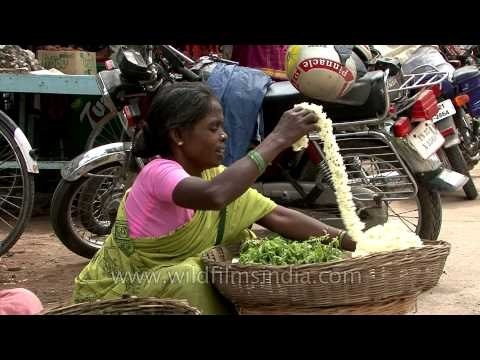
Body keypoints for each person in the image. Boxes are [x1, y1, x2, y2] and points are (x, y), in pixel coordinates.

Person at [73, 82, 356, 314]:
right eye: (213, 128)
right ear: (179, 135)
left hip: (160, 290)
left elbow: (278, 216)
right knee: (193, 277)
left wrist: (357, 242)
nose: (224, 136)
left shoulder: (216, 176)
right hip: (120, 294)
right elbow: (215, 196)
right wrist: (277, 139)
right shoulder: (158, 173)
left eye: (222, 127)